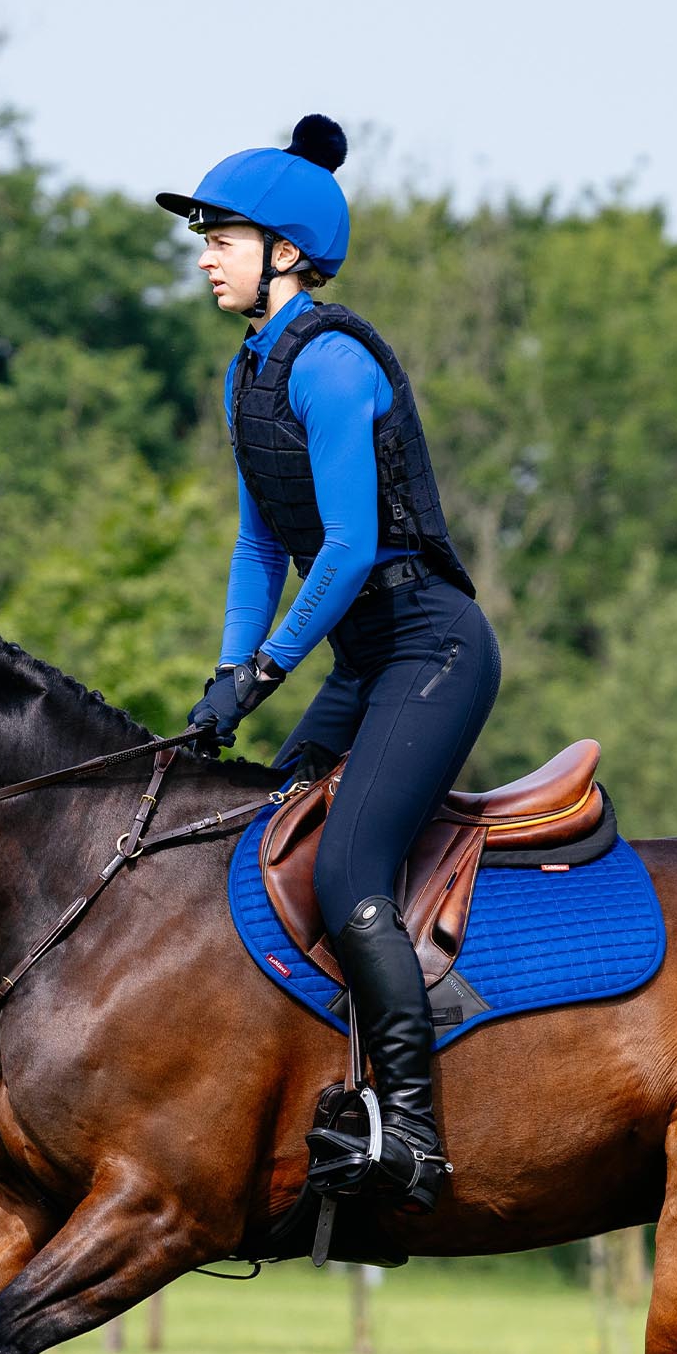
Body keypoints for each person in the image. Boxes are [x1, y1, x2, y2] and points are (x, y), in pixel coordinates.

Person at [157, 115, 500, 1212]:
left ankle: (409, 1132)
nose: (204, 253)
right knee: (258, 839)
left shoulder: (337, 365)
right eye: (203, 238)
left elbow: (348, 544)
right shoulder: (246, 376)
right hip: (361, 653)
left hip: (430, 649)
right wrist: (226, 677)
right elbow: (261, 544)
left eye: (222, 236)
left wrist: (264, 671)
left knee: (350, 871)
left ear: (287, 254)